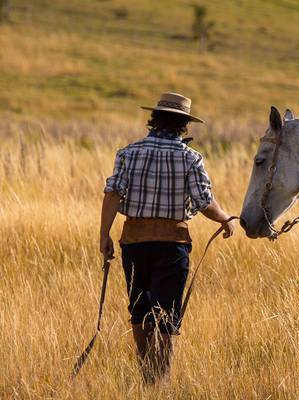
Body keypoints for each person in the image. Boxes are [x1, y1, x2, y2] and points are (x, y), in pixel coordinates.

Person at [99, 92, 236, 384]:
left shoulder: (128, 153)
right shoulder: (190, 158)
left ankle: (146, 375)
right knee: (166, 312)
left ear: (154, 119)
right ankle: (160, 380)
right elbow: (203, 202)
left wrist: (104, 235)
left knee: (138, 307)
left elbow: (113, 193)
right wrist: (224, 217)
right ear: (184, 125)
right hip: (173, 243)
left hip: (133, 241)